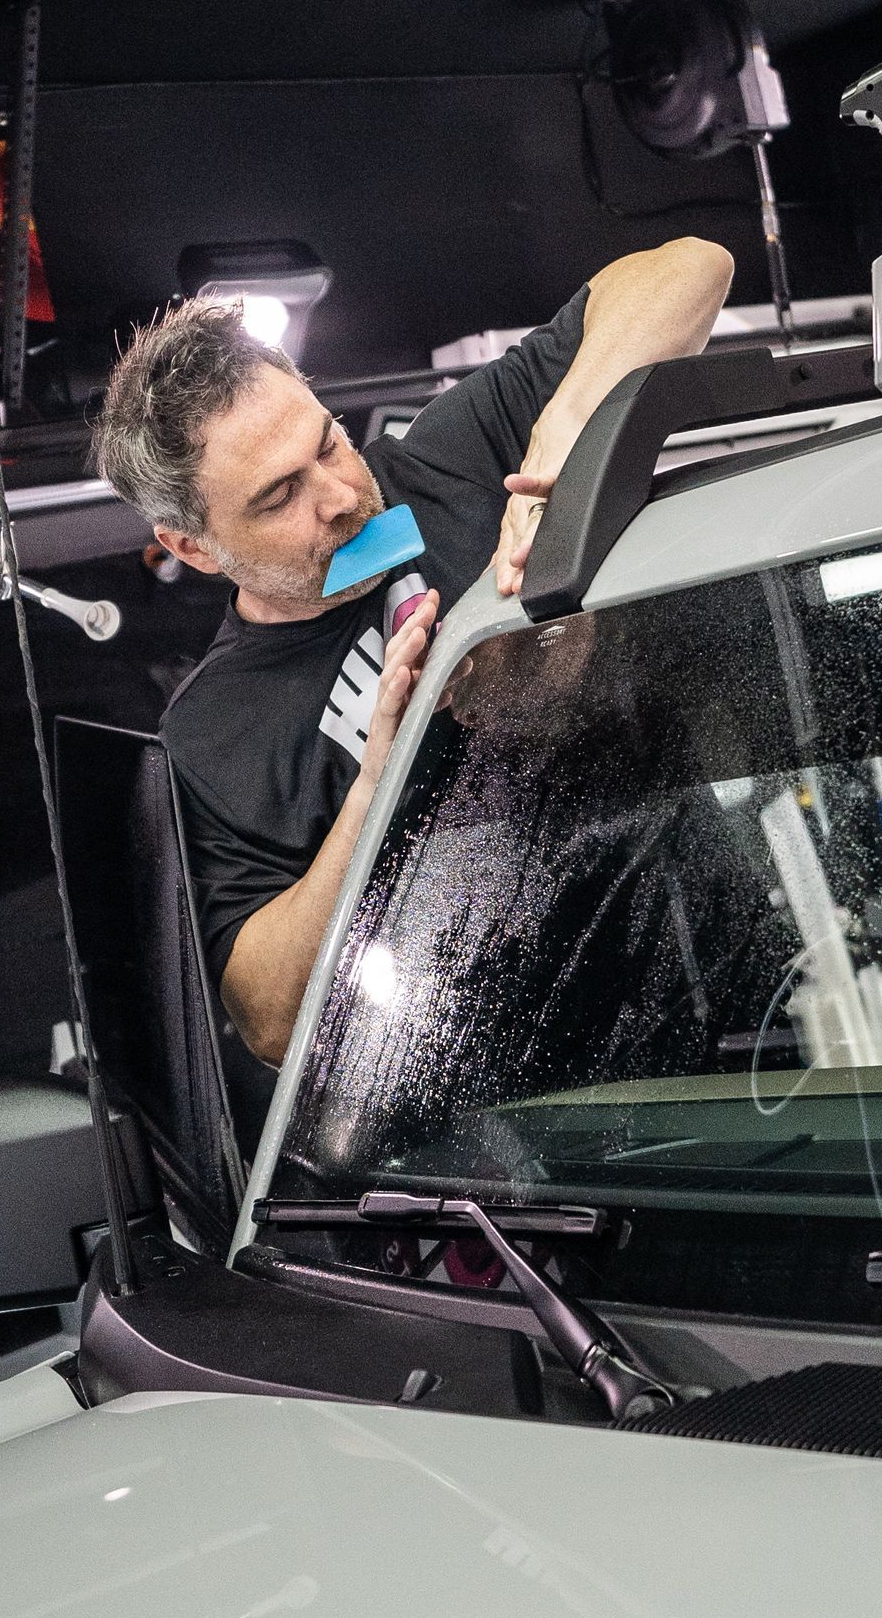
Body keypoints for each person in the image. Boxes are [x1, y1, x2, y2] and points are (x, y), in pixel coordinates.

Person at [93, 239, 734, 1066]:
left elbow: (693, 267)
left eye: (325, 445)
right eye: (278, 496)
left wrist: (566, 428)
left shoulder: (449, 461)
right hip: (517, 1093)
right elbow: (269, 1019)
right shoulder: (214, 733)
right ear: (195, 546)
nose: (339, 500)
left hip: (719, 955)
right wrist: (378, 785)